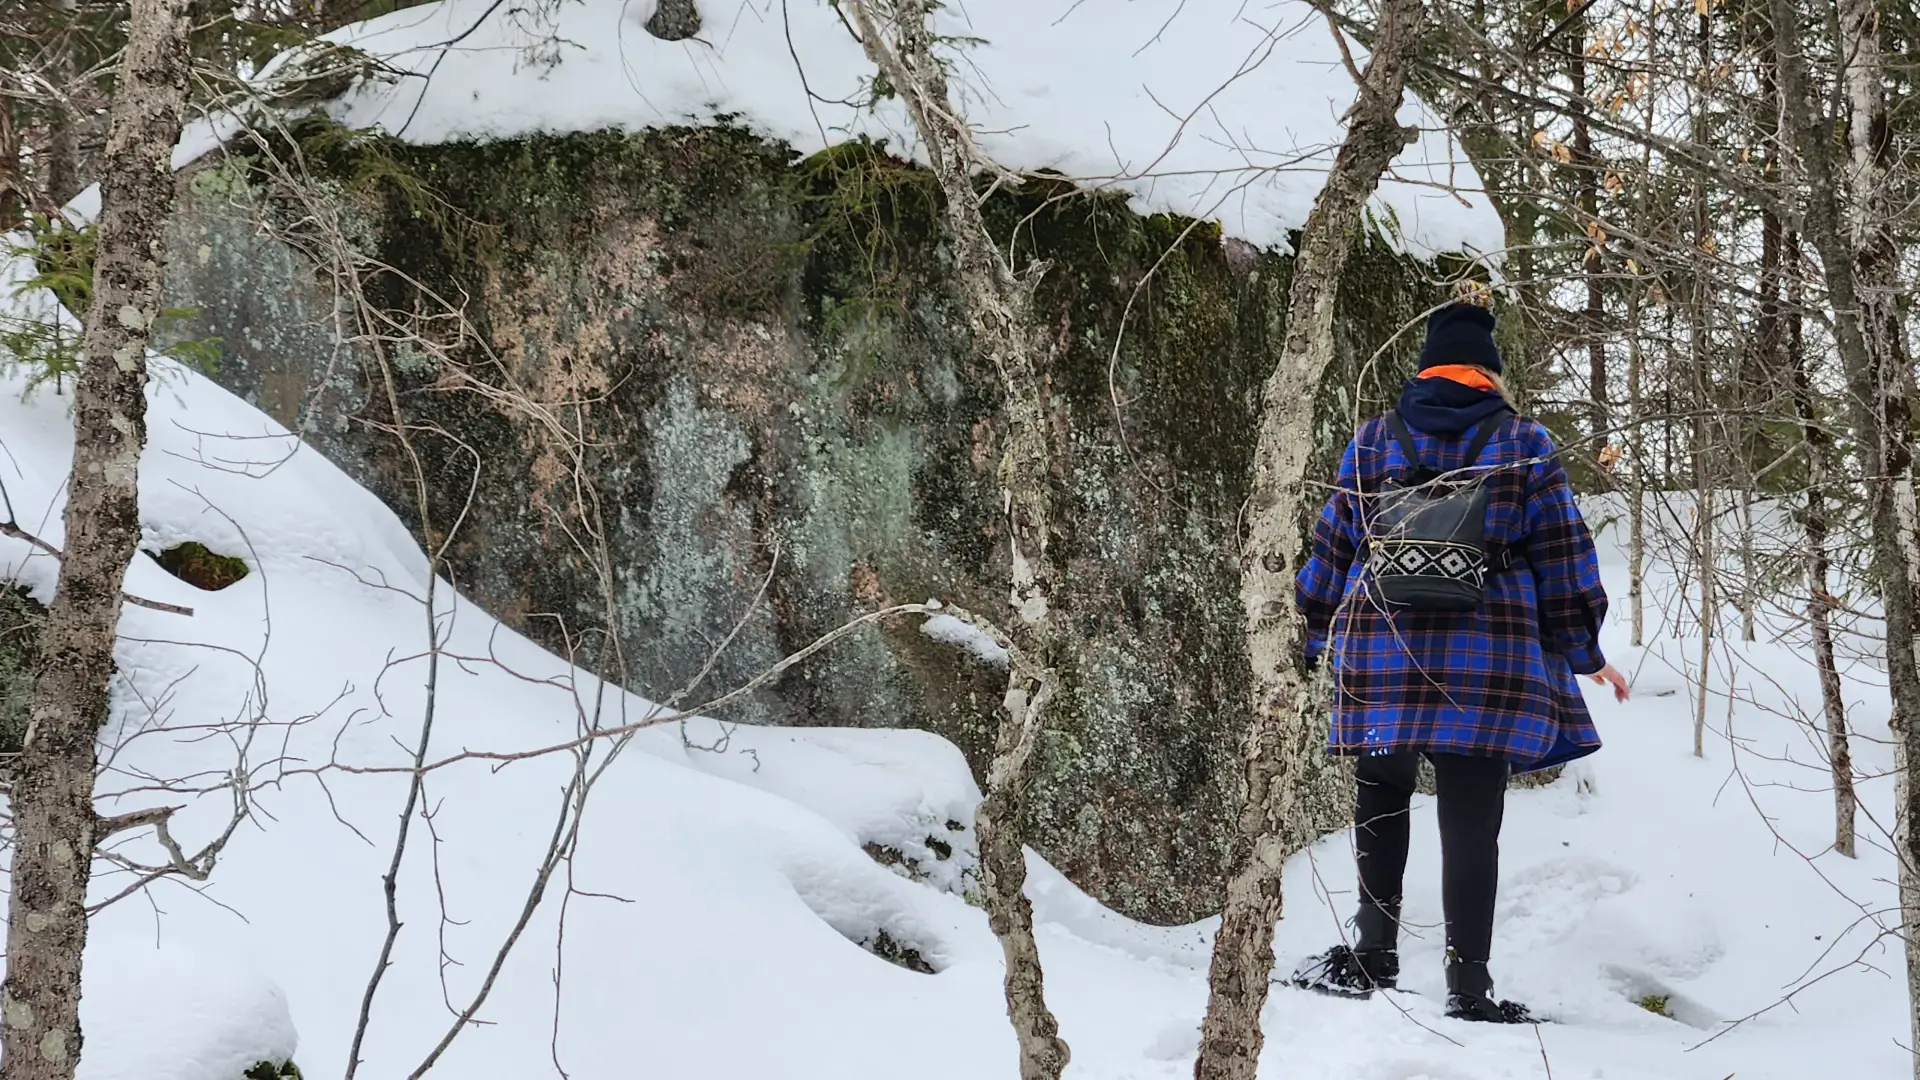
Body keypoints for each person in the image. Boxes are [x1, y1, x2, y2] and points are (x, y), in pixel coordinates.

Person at [1288, 297, 1630, 1023]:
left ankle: (1373, 952)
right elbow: (1564, 554)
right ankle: (1467, 987)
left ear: (1426, 369)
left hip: (1382, 646)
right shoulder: (1524, 440)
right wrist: (1584, 648)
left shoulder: (1375, 438)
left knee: (1380, 791)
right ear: (1489, 372)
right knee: (1472, 816)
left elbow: (1332, 545)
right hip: (1490, 655)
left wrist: (1312, 633)